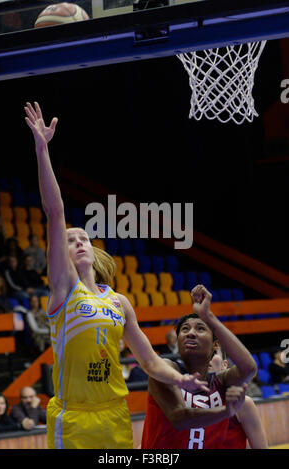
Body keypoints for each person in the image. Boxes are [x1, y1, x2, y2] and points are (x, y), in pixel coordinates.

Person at [24, 101, 210, 450]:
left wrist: (181, 379)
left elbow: (151, 360)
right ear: (58, 256)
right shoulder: (64, 289)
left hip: (114, 414)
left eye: (83, 237)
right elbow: (54, 212)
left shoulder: (119, 302)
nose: (77, 241)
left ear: (93, 250)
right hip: (74, 417)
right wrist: (41, 148)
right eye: (69, 240)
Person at [141, 284, 257, 449]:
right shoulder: (167, 370)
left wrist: (209, 317)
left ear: (215, 345)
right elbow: (179, 418)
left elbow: (249, 368)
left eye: (200, 328)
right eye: (185, 329)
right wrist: (226, 411)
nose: (191, 333)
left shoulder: (220, 382)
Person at [209, 344, 268, 449]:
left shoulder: (244, 404)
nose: (206, 357)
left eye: (213, 353)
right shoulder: (184, 400)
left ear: (224, 365)